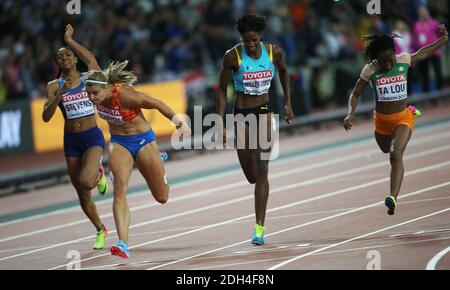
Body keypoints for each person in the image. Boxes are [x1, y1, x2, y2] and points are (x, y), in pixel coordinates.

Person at [83, 61, 191, 258]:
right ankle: (123, 243)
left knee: (162, 197)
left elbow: (157, 103)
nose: (92, 98)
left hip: (143, 141)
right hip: (119, 143)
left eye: (95, 94)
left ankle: (155, 158)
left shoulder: (125, 95)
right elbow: (90, 60)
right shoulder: (97, 90)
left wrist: (179, 124)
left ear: (107, 88)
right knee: (120, 190)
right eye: (88, 94)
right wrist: (71, 41)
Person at [343, 24, 448, 215]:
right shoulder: (370, 70)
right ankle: (411, 110)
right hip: (382, 122)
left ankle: (393, 198)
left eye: (390, 60)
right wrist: (351, 113)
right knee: (385, 150)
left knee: (395, 154)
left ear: (395, 54)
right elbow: (356, 93)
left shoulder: (403, 60)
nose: (389, 65)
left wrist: (443, 40)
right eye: (384, 63)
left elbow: (423, 53)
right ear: (376, 60)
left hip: (402, 119)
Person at [216, 14, 294, 245]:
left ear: (261, 37)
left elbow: (284, 72)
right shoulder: (232, 57)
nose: (251, 45)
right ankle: (254, 178)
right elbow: (221, 90)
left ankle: (259, 228)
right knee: (251, 176)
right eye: (247, 41)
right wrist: (220, 122)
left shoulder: (274, 52)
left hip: (264, 112)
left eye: (255, 40)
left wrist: (288, 102)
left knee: (263, 169)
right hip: (241, 115)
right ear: (241, 38)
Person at [42, 25, 109, 249]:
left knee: (86, 181)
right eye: (60, 57)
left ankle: (99, 173)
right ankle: (100, 228)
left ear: (75, 59)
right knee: (81, 192)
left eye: (68, 54)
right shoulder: (54, 86)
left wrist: (70, 41)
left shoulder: (88, 77)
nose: (65, 58)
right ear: (58, 63)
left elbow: (92, 60)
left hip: (92, 137)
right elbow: (45, 116)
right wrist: (58, 96)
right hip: (71, 141)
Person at [413, 6, 445, 91]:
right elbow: (415, 38)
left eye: (424, 12)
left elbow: (440, 33)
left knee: (438, 72)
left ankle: (440, 92)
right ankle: (426, 94)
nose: (423, 13)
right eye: (421, 12)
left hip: (435, 51)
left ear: (427, 12)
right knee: (424, 74)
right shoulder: (417, 24)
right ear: (419, 14)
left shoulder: (434, 22)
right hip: (423, 52)